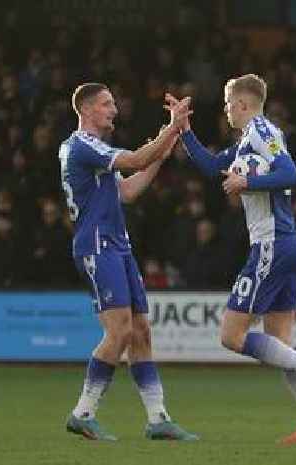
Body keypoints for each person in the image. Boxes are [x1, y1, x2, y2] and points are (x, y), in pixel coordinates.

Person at [167, 74, 296, 444]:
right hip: (281, 243)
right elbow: (213, 167)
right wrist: (183, 130)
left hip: (272, 244)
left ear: (243, 104)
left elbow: (291, 174)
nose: (226, 110)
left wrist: (247, 184)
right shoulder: (247, 141)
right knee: (279, 340)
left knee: (231, 336)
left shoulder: (262, 129)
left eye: (228, 104)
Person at [60, 83, 197, 441]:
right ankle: (83, 413)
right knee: (119, 331)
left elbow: (128, 190)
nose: (114, 110)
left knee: (140, 331)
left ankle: (158, 419)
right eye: (107, 104)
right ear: (87, 110)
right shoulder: (82, 145)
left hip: (117, 243)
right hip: (97, 244)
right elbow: (136, 159)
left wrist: (165, 147)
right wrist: (169, 130)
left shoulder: (96, 151)